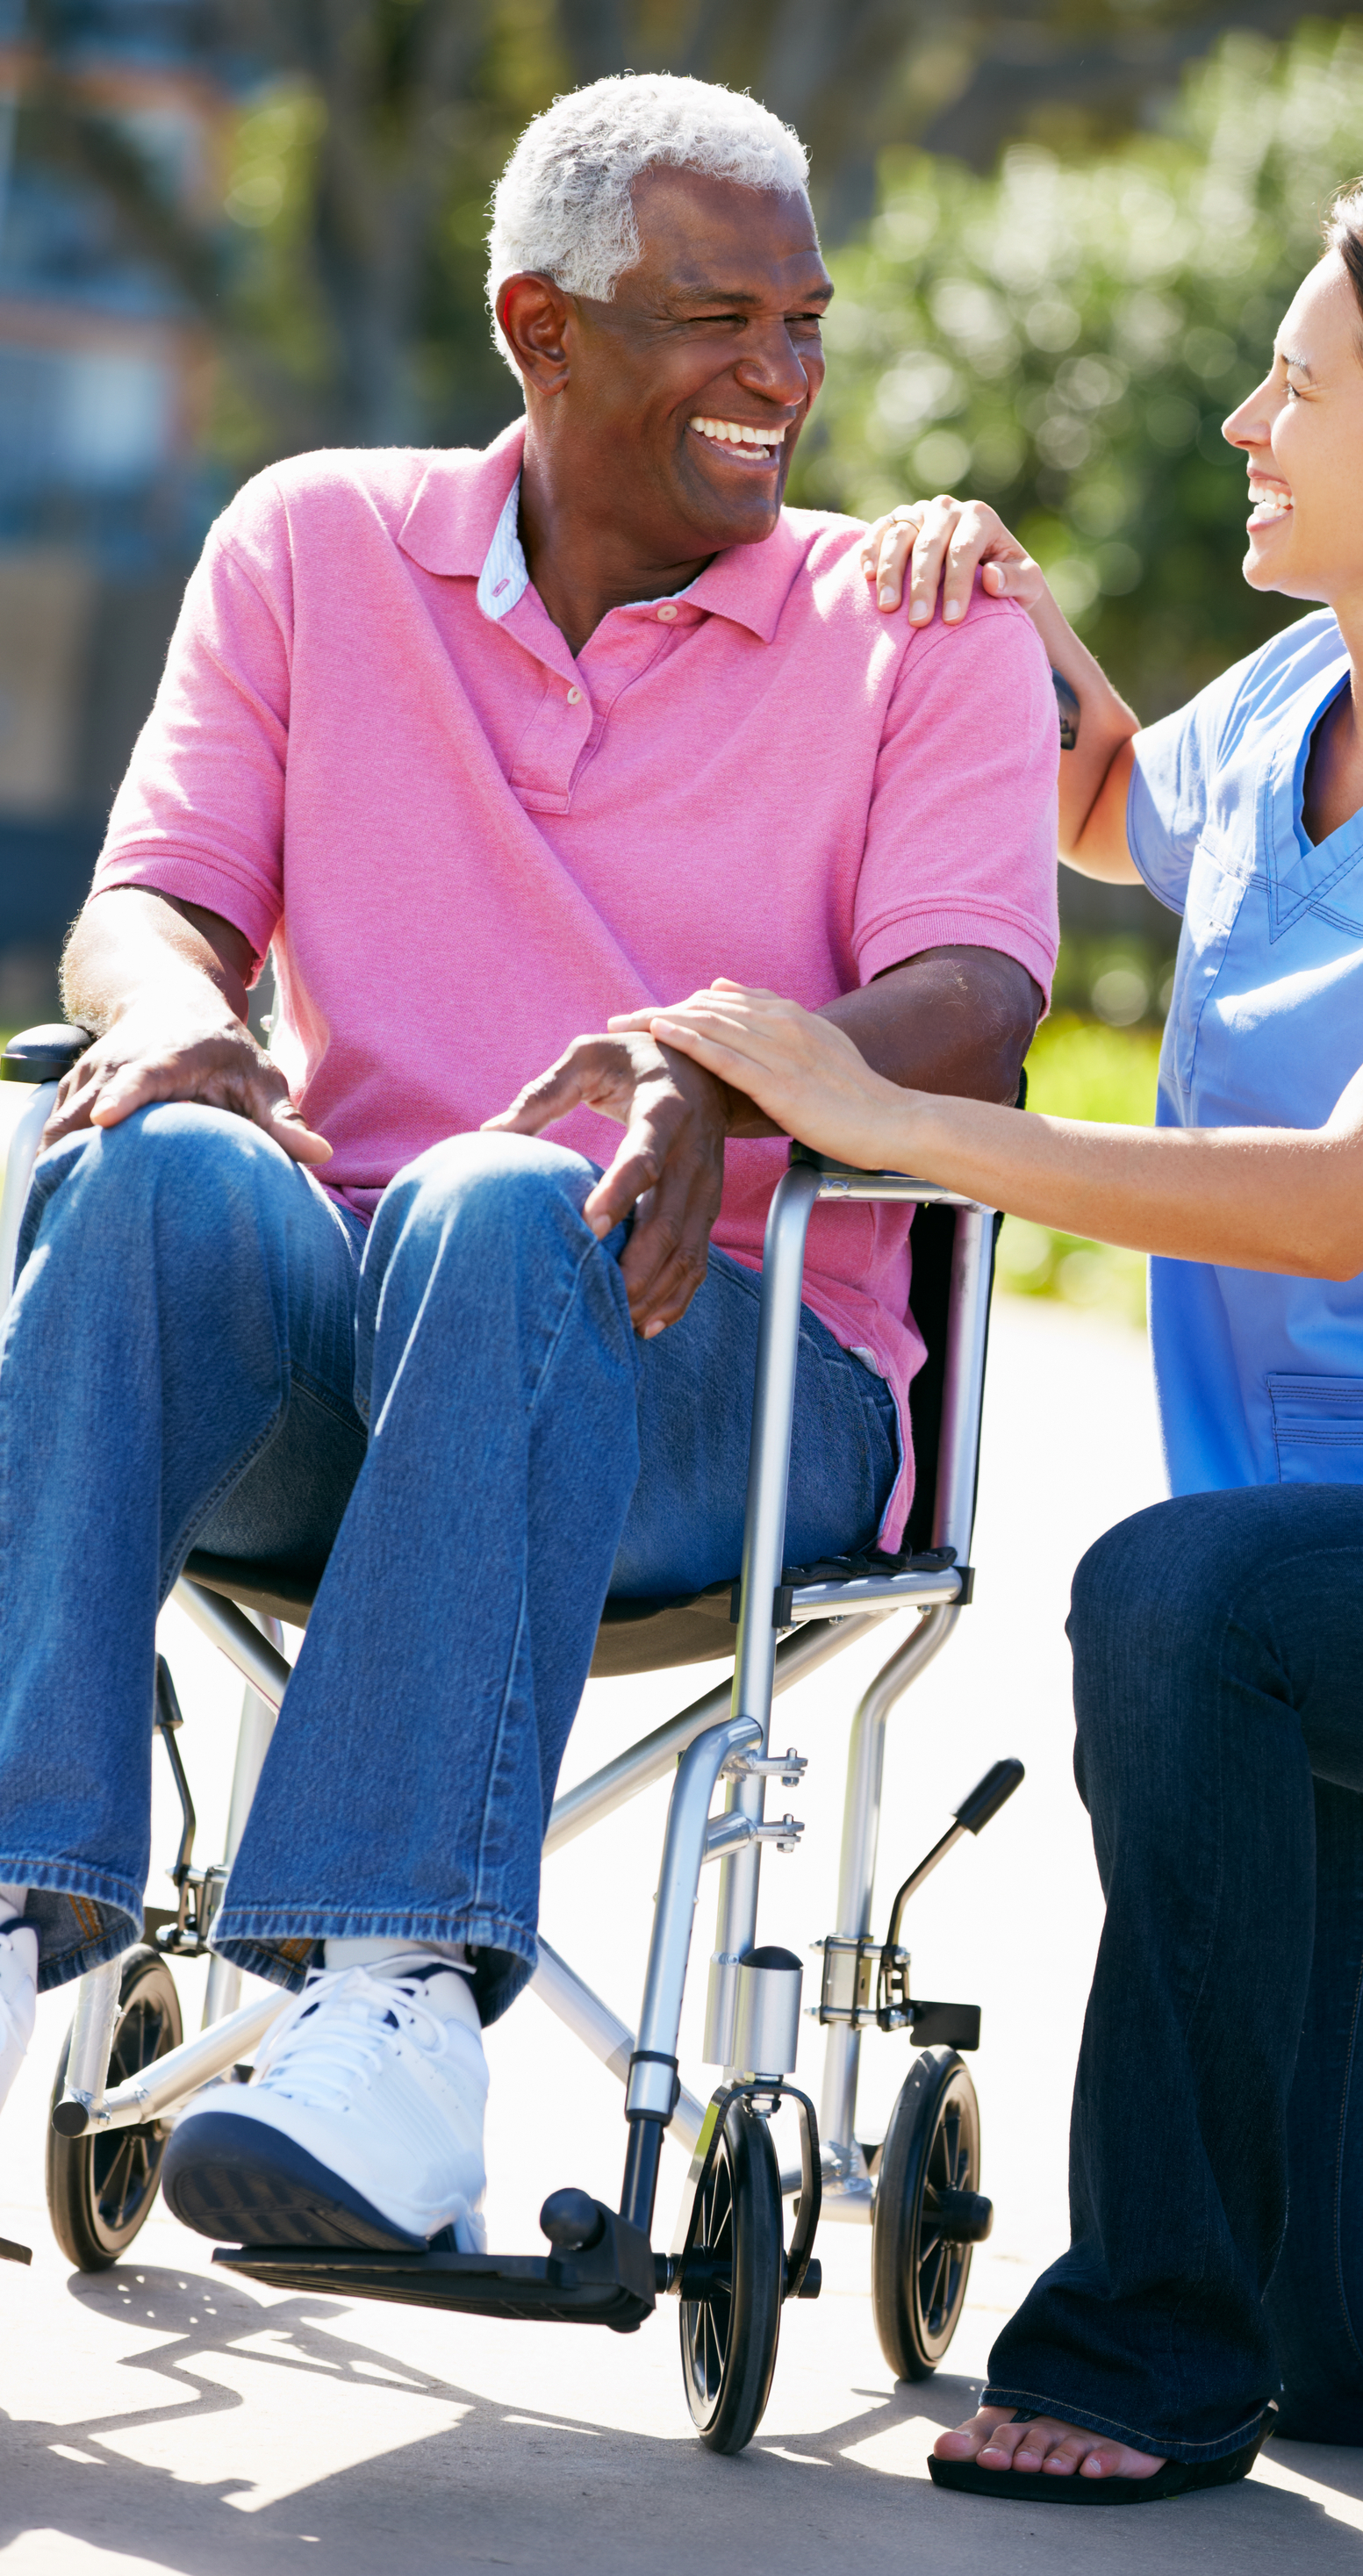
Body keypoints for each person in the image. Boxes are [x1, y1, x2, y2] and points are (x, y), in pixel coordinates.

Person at [626, 180, 1363, 2503]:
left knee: (1174, 1590)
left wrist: (881, 1110)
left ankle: (1139, 2348)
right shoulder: (1295, 707)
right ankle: (1262, 2329)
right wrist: (984, 595)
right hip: (1333, 1587)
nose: (1251, 421)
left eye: (1300, 391)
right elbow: (1117, 801)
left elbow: (1345, 1199)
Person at [0, 74, 1058, 2253]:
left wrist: (716, 1066)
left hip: (736, 1379)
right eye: (714, 316)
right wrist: (165, 1008)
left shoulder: (914, 626)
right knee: (146, 1164)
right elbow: (159, 895)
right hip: (349, 1356)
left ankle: (387, 2011)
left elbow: (975, 1000)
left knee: (504, 1201)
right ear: (540, 329)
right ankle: (22, 1912)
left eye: (804, 320)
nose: (783, 373)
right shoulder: (309, 543)